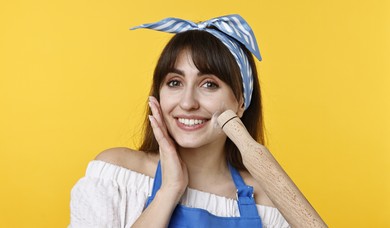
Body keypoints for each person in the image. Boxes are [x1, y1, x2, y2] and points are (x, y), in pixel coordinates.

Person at [69, 15, 327, 227]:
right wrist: (169, 190)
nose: (188, 102)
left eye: (209, 84)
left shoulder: (270, 203)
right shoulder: (118, 178)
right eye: (174, 82)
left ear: (241, 102)